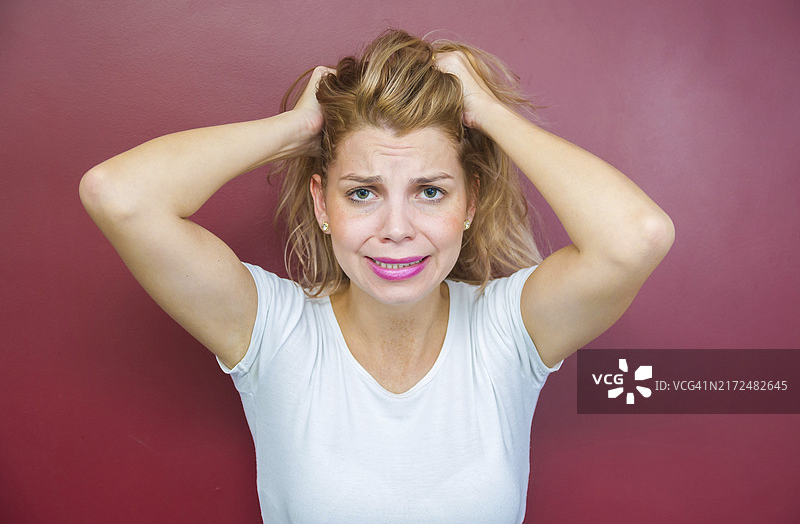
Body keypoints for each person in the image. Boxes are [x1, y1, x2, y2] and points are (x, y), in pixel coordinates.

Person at [80, 29, 674, 523]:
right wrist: (295, 129)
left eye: (431, 192)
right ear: (321, 203)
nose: (396, 228)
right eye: (362, 192)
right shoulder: (273, 332)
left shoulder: (508, 332)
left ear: (468, 205)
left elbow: (636, 238)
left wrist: (489, 114)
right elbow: (120, 196)